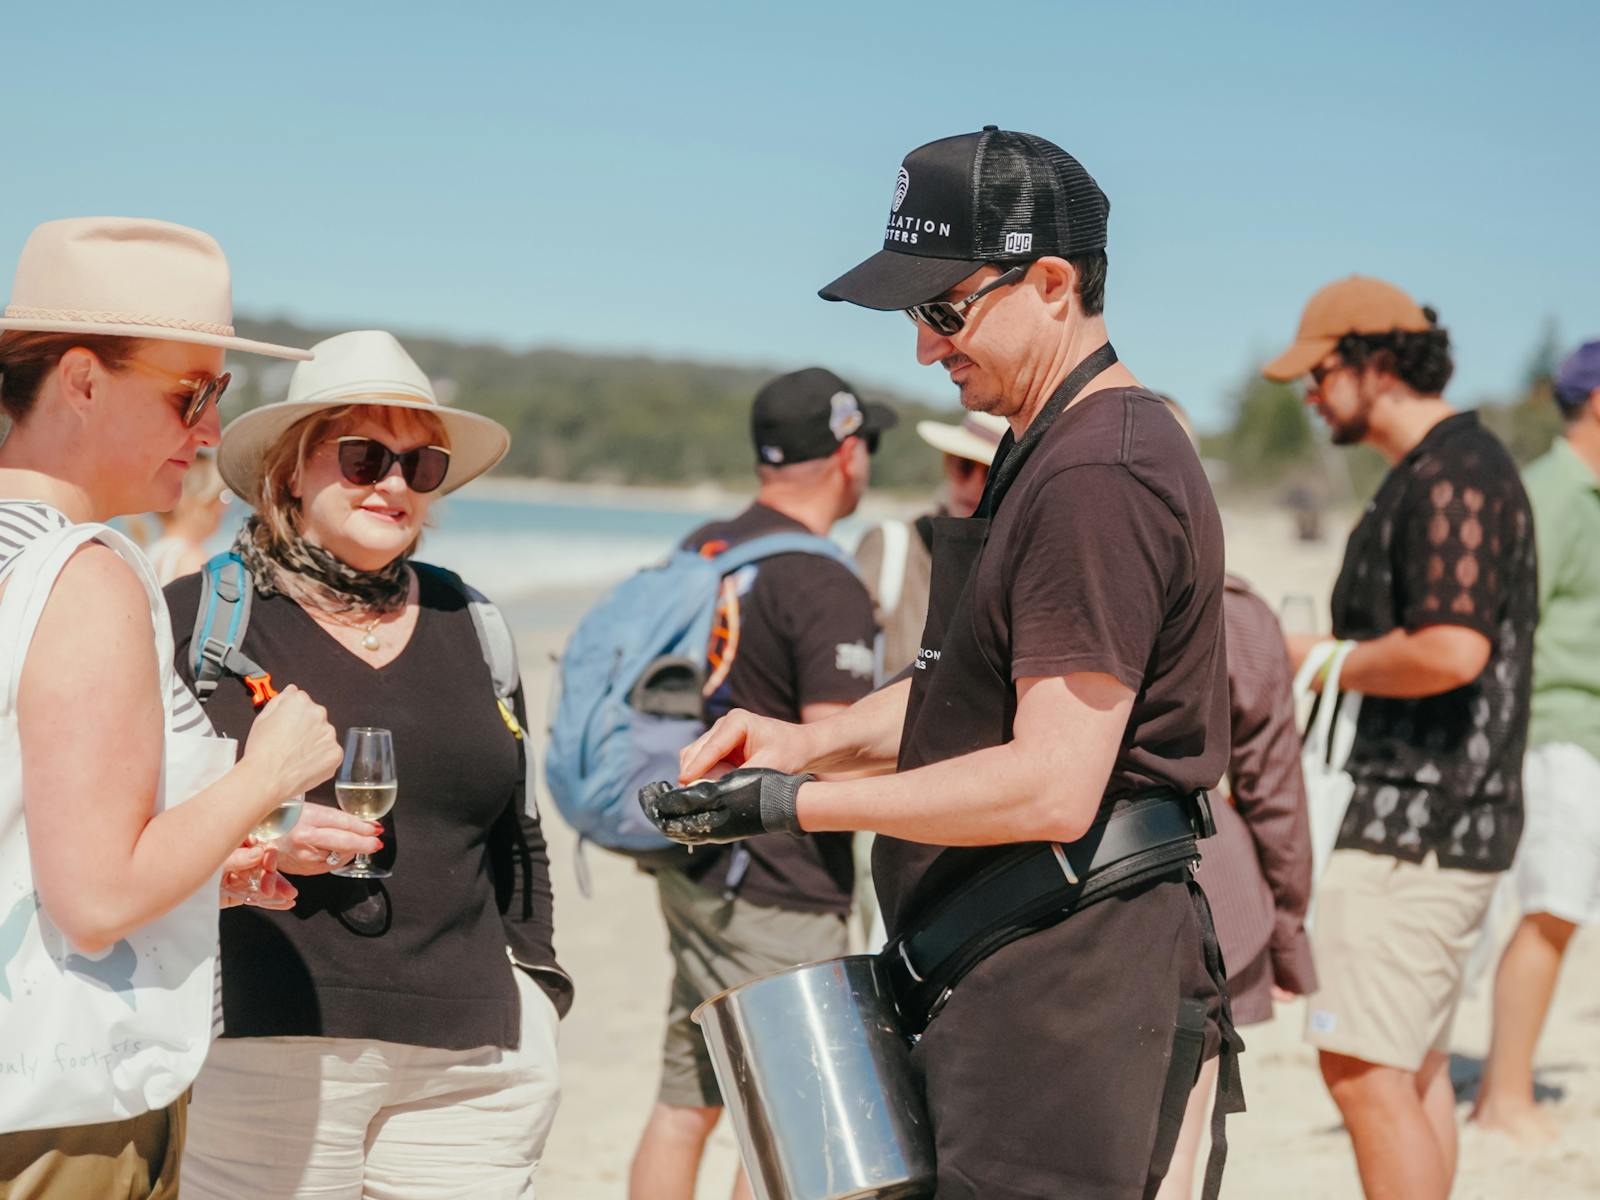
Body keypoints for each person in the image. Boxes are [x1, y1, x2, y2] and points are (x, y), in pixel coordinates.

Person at [642, 127, 1240, 1200]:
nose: (923, 350)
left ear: (1051, 281)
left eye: (942, 310)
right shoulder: (1040, 445)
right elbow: (974, 677)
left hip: (1073, 982)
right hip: (1006, 961)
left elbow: (1053, 784)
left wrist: (796, 804)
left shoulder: (1101, 471)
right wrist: (810, 739)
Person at [166, 330, 571, 1199]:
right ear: (291, 471)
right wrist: (266, 826)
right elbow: (124, 820)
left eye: (419, 466)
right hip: (261, 1046)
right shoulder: (198, 619)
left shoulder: (476, 621)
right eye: (363, 457)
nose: (393, 483)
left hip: (477, 1066)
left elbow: (517, 833)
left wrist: (537, 991)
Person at [0, 217, 340, 1198]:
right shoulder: (86, 572)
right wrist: (266, 775)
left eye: (220, 396)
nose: (208, 432)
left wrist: (208, 871)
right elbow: (98, 898)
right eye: (192, 392)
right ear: (81, 380)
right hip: (62, 1103)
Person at [1264, 276, 1537, 1199]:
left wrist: (1313, 658)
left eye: (1319, 371)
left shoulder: (1456, 472)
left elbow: (1453, 650)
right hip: (1439, 815)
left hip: (1425, 819)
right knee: (1405, 1066)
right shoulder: (1439, 469)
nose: (1309, 393)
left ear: (1376, 366)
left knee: (1361, 1066)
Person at [627, 367, 887, 1200]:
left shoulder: (704, 546)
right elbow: (835, 748)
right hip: (781, 882)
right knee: (792, 1118)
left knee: (689, 1097)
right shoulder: (825, 583)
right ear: (847, 454)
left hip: (689, 859)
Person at [1154, 400, 1318, 1200]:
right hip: (1210, 892)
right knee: (1179, 1152)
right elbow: (1275, 794)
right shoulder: (1239, 613)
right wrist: (1289, 935)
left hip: (1058, 885)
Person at [1472, 338, 1600, 1144]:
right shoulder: (1555, 491)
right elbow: (1505, 614)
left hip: (1579, 732)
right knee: (1552, 907)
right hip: (1551, 731)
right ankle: (1504, 1095)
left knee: (1561, 909)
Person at [855, 409, 1005, 677]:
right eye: (965, 466)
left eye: (990, 473)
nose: (973, 485)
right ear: (947, 464)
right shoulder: (891, 545)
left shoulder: (1011, 565)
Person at [143, 452, 229, 584]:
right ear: (199, 500)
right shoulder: (192, 559)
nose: (224, 506)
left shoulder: (151, 554)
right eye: (221, 496)